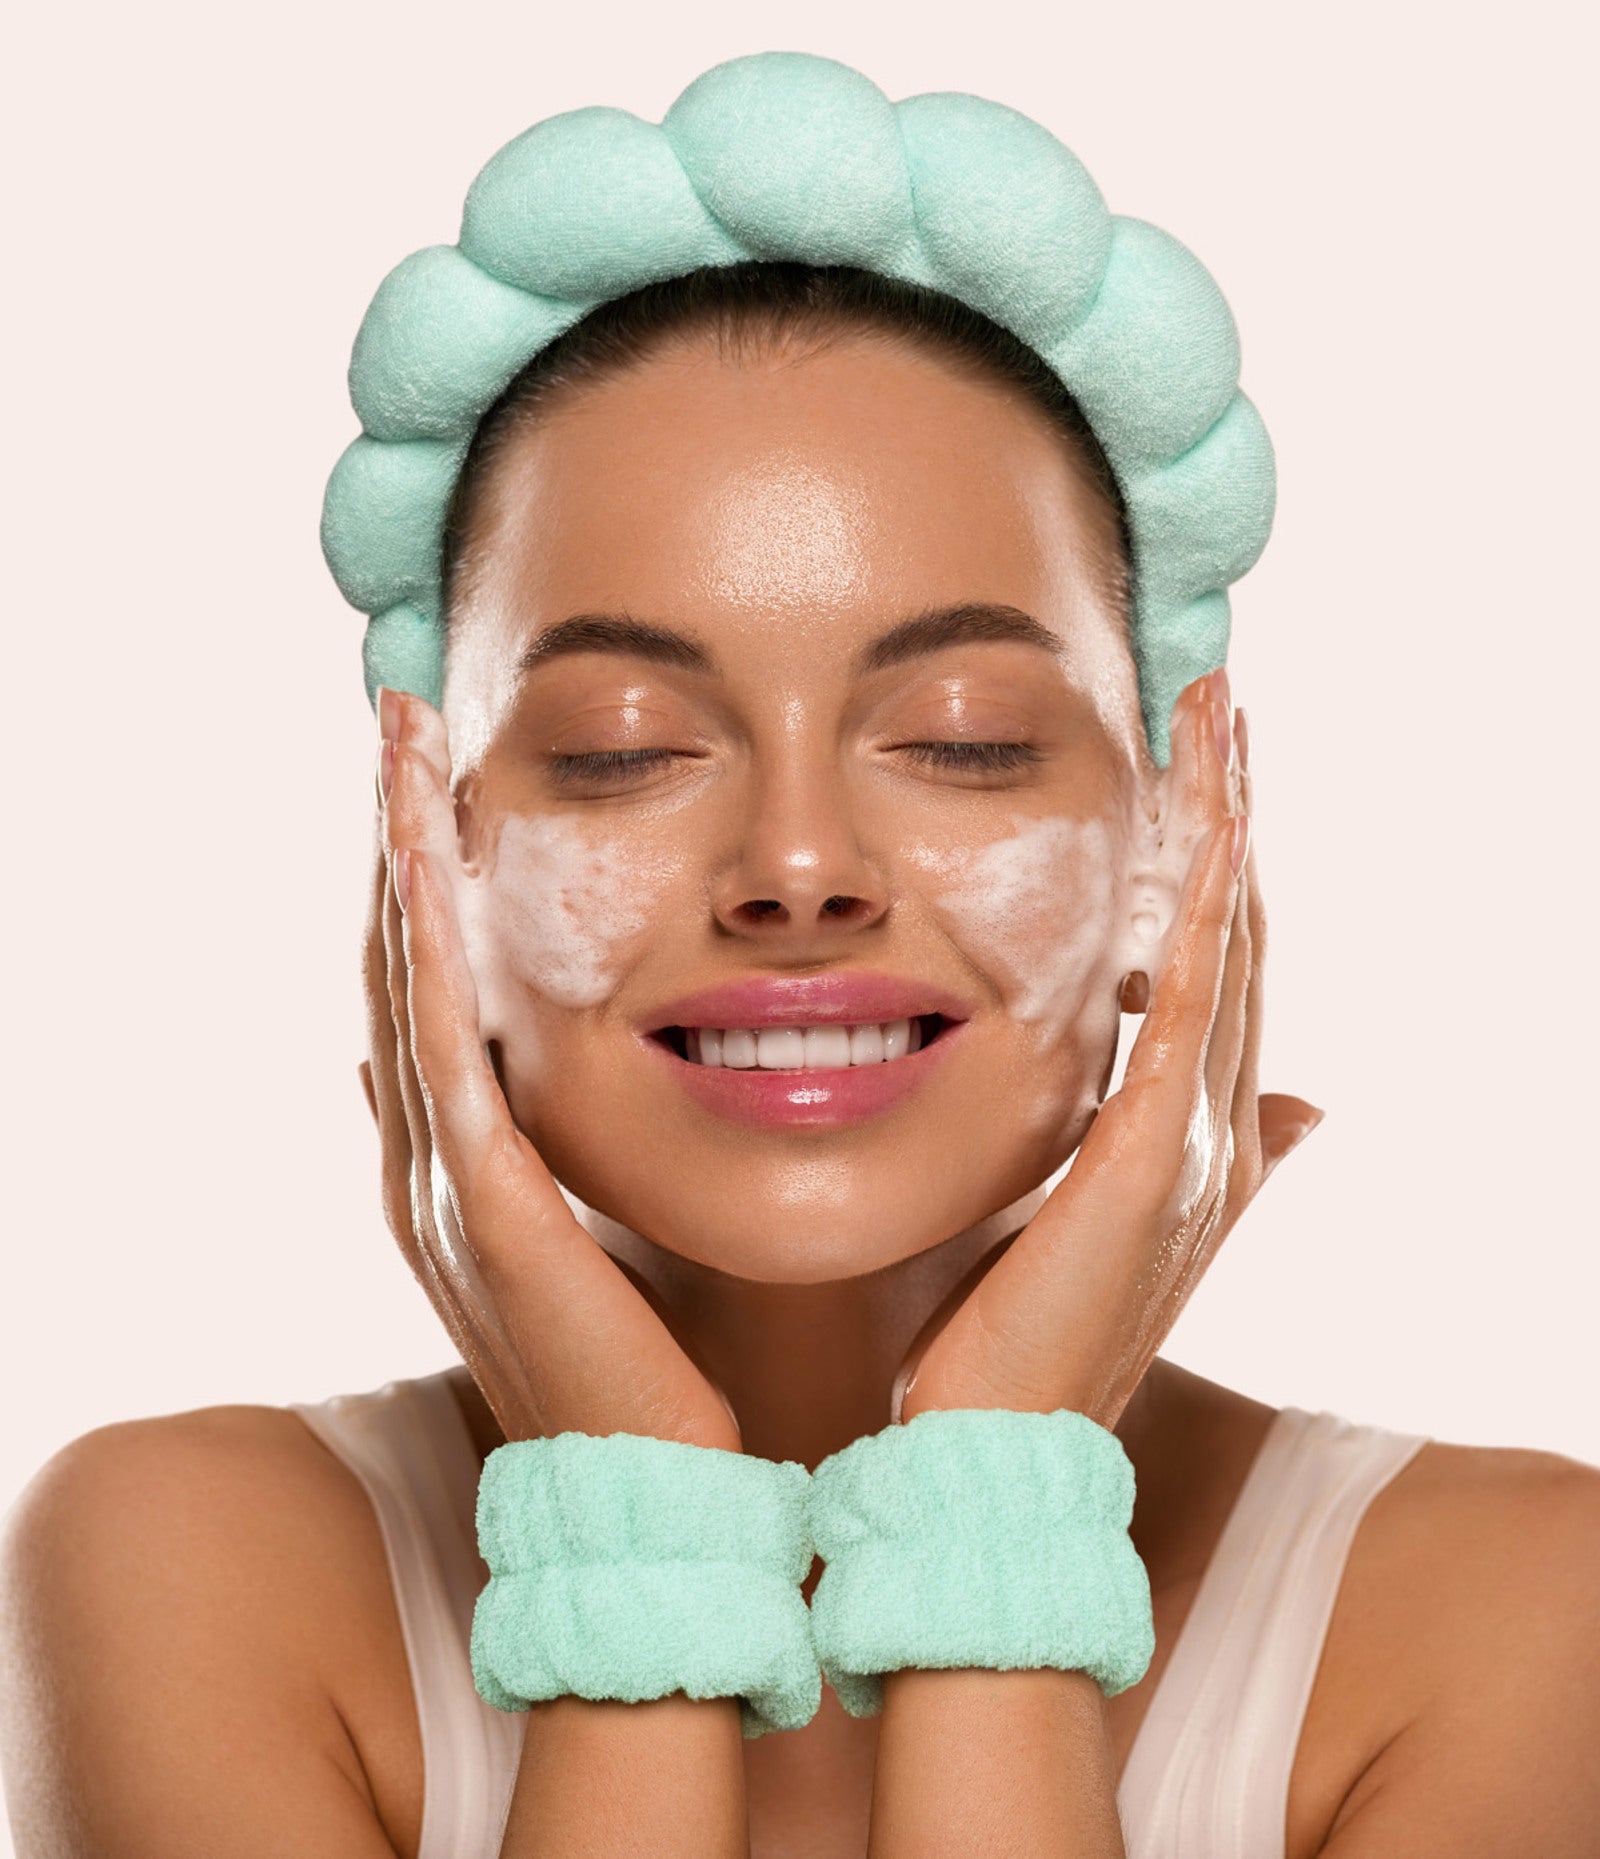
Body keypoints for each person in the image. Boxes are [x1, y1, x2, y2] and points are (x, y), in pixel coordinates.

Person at [4, 91, 1598, 1859]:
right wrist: (635, 1519)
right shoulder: (186, 1559)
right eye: (619, 749)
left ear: (1175, 848)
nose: (799, 872)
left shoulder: (1522, 1611)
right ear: (431, 876)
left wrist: (998, 1504)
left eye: (967, 737)